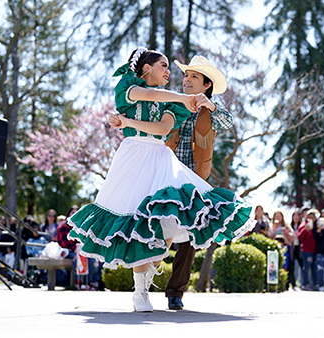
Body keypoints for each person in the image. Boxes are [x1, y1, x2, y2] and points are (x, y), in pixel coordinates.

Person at [67, 47, 252, 312]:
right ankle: (141, 291)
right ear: (146, 68)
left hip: (174, 167)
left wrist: (127, 121)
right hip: (138, 156)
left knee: (168, 233)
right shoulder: (137, 88)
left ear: (206, 83)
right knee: (139, 220)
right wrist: (127, 121)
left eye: (191, 76)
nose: (178, 76)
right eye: (166, 67)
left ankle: (161, 288)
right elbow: (151, 95)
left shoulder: (185, 104)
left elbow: (169, 127)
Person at [160, 55, 235, 310]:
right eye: (186, 76)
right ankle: (143, 278)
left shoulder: (210, 111)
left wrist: (211, 106)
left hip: (194, 181)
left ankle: (175, 293)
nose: (187, 80)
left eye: (194, 77)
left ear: (206, 86)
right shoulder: (172, 103)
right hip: (165, 177)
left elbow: (228, 121)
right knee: (158, 231)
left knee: (190, 238)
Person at [298, 209, 318, 291]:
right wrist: (305, 230)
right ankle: (305, 283)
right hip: (306, 250)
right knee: (306, 267)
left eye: (312, 218)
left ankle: (314, 284)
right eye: (309, 218)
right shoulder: (303, 225)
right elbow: (300, 237)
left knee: (314, 268)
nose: (311, 219)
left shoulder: (317, 226)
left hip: (315, 250)